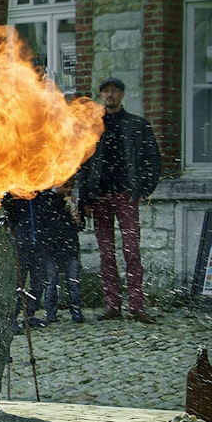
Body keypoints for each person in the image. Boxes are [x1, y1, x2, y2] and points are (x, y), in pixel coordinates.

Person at [79, 77, 162, 324]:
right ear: (101, 95)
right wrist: (84, 199)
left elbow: (153, 159)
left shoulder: (137, 125)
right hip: (100, 196)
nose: (110, 95)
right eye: (106, 92)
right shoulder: (93, 127)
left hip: (126, 195)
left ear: (122, 94)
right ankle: (112, 304)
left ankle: (136, 305)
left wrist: (144, 189)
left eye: (114, 91)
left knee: (131, 251)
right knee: (106, 253)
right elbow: (83, 164)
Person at [0, 191, 48, 332]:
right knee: (18, 283)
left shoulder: (40, 194)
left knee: (38, 283)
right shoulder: (16, 194)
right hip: (21, 244)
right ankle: (12, 318)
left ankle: (30, 316)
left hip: (39, 243)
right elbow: (9, 210)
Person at [39, 181, 85, 324]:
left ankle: (76, 310)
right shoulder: (47, 199)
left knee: (73, 281)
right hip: (51, 246)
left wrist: (76, 217)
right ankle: (50, 312)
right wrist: (62, 204)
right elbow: (46, 221)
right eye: (66, 186)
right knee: (51, 281)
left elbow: (80, 225)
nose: (68, 190)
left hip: (70, 246)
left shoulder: (74, 202)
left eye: (71, 187)